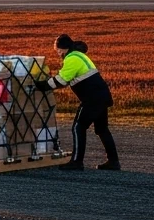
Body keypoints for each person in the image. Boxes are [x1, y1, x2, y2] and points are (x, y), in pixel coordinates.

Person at [44, 34, 120, 171]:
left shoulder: (72, 58)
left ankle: (77, 162)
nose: (58, 53)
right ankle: (113, 161)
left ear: (64, 48)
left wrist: (42, 86)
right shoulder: (80, 56)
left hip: (92, 98)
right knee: (102, 129)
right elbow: (66, 80)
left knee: (78, 127)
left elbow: (61, 80)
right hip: (101, 96)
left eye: (58, 50)